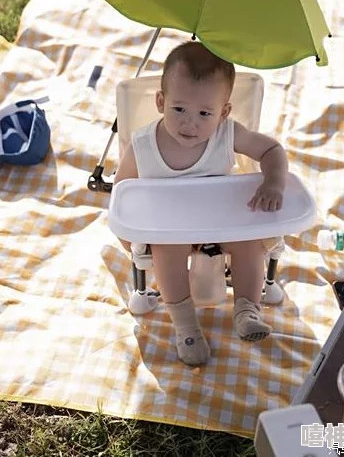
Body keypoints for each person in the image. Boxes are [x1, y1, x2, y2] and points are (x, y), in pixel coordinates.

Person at [114, 41, 288, 367]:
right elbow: (123, 195)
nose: (190, 124)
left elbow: (272, 151)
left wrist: (273, 182)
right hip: (170, 228)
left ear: (223, 113)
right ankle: (186, 325)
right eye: (179, 109)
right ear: (161, 101)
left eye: (204, 113)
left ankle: (247, 310)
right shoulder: (142, 146)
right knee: (168, 250)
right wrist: (132, 238)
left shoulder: (227, 134)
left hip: (220, 220)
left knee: (250, 243)